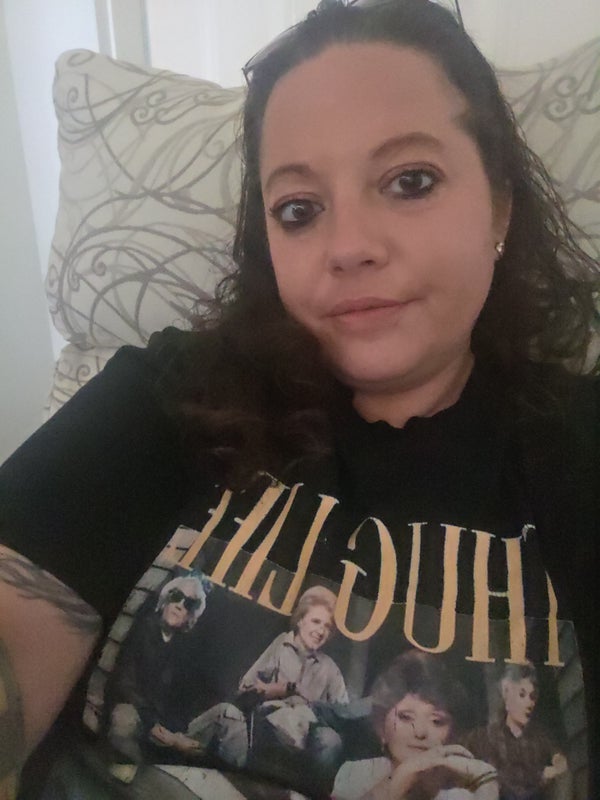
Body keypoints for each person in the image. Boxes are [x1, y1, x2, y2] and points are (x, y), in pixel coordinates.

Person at [0, 1, 598, 799]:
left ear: (500, 204)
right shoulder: (166, 395)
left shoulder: (580, 446)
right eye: (299, 210)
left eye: (410, 181)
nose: (348, 246)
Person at [333, 650, 497, 800]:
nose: (420, 732)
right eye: (405, 717)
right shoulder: (356, 774)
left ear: (453, 732)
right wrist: (403, 776)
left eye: (437, 721)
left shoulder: (462, 791)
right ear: (381, 725)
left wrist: (487, 782)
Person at [103, 574, 208, 761]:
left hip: (164, 725)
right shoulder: (143, 629)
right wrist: (152, 724)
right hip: (135, 711)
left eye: (189, 604)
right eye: (176, 597)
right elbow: (125, 683)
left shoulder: (185, 650)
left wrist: (176, 734)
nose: (179, 606)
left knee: (200, 746)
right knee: (123, 723)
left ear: (190, 617)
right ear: (165, 600)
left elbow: (182, 699)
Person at [466, 664, 570, 800]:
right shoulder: (484, 737)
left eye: (532, 697)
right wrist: (540, 776)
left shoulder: (540, 739)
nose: (529, 704)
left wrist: (558, 765)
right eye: (522, 695)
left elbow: (560, 761)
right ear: (506, 692)